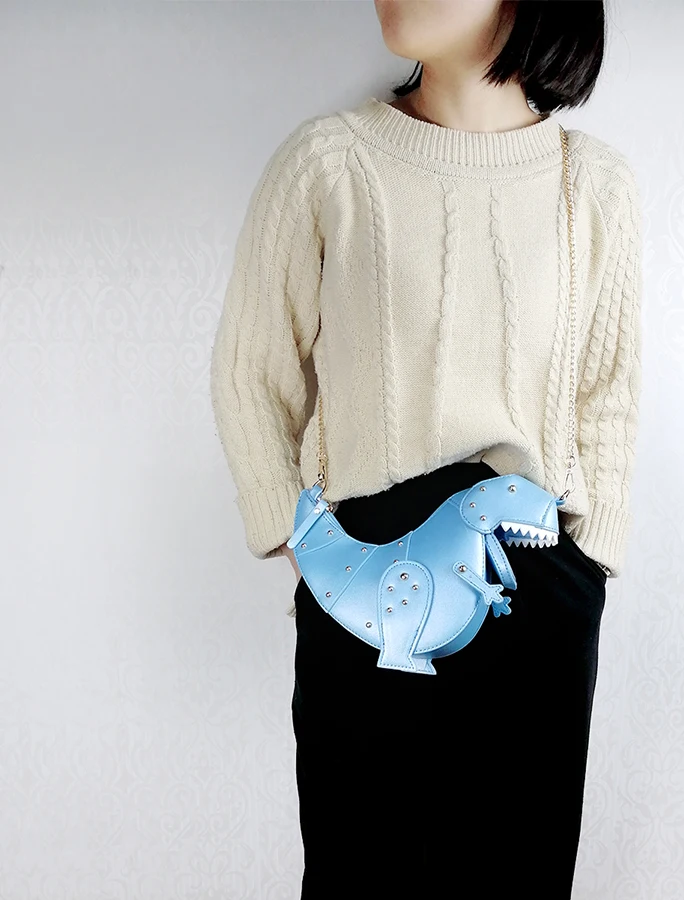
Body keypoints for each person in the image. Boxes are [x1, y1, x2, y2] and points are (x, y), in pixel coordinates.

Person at [209, 1, 643, 897]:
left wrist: (588, 567)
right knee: (359, 876)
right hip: (370, 590)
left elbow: (610, 392)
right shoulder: (328, 164)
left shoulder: (594, 187)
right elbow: (251, 371)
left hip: (537, 586)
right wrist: (307, 547)